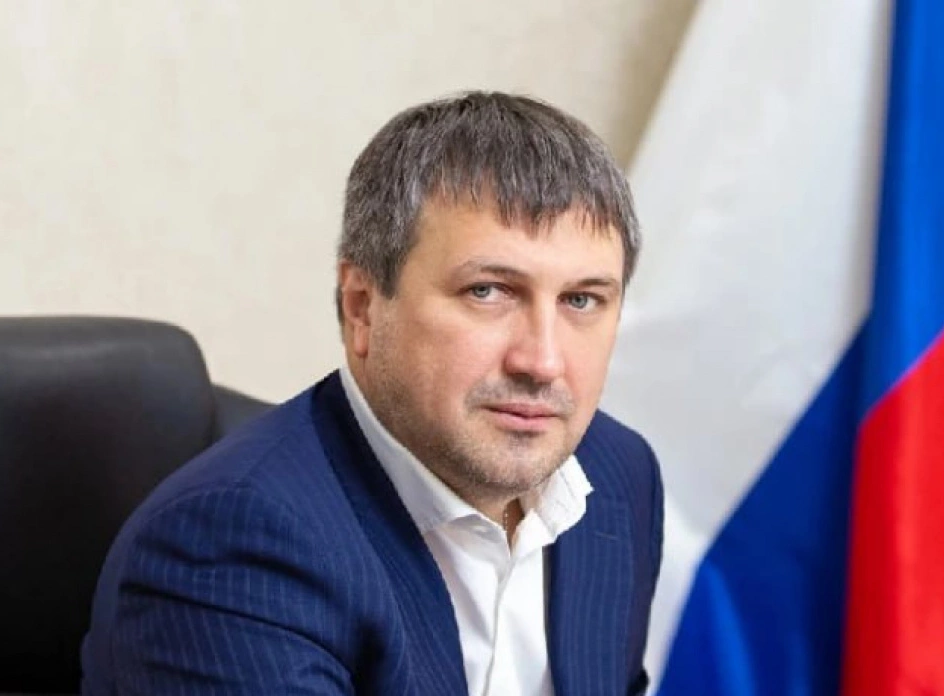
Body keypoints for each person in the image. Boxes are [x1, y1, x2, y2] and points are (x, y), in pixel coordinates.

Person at [81, 91, 664, 695]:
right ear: (362, 307)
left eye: (581, 300)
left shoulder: (618, 475)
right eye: (487, 292)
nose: (542, 362)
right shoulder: (227, 548)